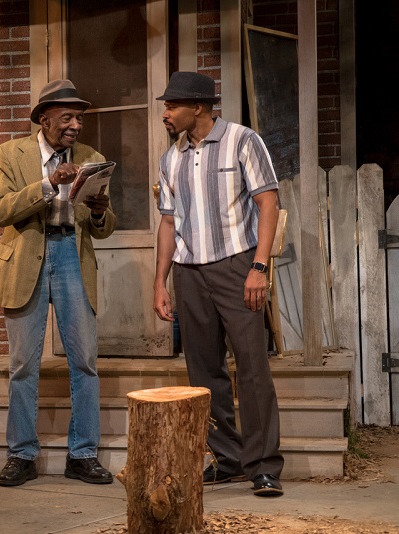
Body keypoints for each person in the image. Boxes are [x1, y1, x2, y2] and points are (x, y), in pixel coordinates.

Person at [152, 71, 284, 497]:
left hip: (237, 266)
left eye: (172, 107)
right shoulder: (170, 158)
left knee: (252, 366)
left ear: (200, 108)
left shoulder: (243, 141)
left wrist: (259, 267)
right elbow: (169, 222)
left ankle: (263, 465)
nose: (166, 114)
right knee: (204, 372)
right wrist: (161, 282)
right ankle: (226, 460)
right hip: (190, 274)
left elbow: (268, 203)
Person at [0, 79, 116, 487]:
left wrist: (99, 211)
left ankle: (83, 454)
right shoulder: (10, 153)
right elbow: (1, 211)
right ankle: (21, 454)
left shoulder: (92, 158)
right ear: (44, 119)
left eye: (79, 118)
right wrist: (48, 185)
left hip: (72, 257)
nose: (76, 125)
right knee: (24, 363)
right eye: (68, 117)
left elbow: (104, 229)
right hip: (27, 258)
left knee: (85, 362)